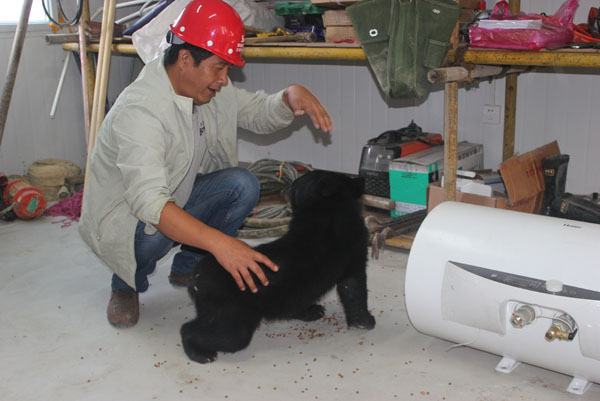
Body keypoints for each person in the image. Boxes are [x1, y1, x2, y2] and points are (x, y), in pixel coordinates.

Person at [78, 0, 332, 328]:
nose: (224, 79)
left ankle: (190, 266)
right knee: (155, 231)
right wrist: (221, 244)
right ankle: (125, 283)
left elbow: (255, 111)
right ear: (185, 58)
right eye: (219, 68)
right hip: (126, 217)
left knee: (242, 184)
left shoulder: (203, 85)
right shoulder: (141, 110)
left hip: (174, 194)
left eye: (227, 69)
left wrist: (288, 97)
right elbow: (150, 203)